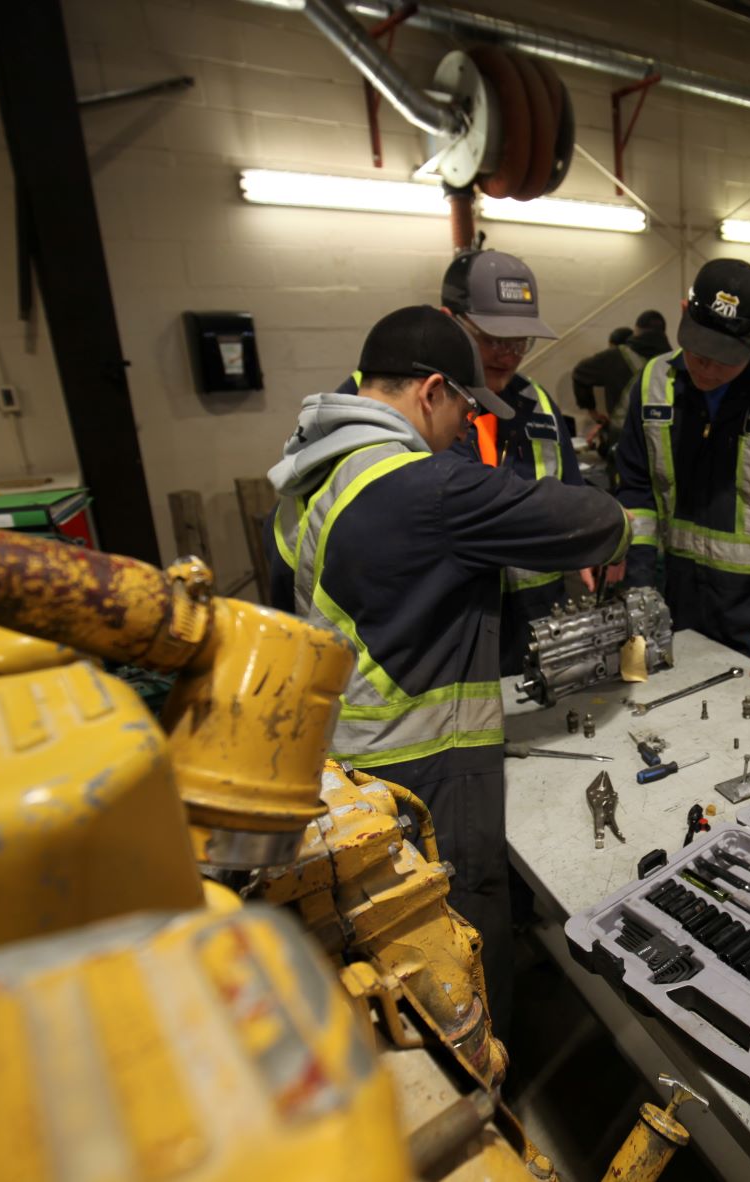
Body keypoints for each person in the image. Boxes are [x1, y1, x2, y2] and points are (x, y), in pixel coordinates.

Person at [266, 305, 630, 1032]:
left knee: (392, 949)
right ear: (431, 390)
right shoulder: (424, 488)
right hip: (424, 769)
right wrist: (615, 518)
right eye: (465, 407)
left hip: (345, 761)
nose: (469, 426)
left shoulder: (314, 475)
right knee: (462, 943)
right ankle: (490, 1100)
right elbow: (592, 523)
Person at [337, 249, 587, 677]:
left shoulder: (538, 406)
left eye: (519, 343)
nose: (508, 355)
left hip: (533, 635)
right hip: (438, 642)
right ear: (448, 320)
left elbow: (570, 496)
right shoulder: (378, 405)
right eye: (491, 340)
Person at [612, 260, 750, 691]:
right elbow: (637, 498)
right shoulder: (653, 384)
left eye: (724, 358)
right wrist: (638, 596)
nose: (707, 368)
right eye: (698, 350)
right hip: (672, 600)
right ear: (683, 312)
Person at [572, 309, 673, 430]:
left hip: (622, 435)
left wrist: (593, 412)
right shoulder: (673, 360)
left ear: (636, 330)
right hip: (663, 434)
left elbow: (579, 373)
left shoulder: (614, 356)